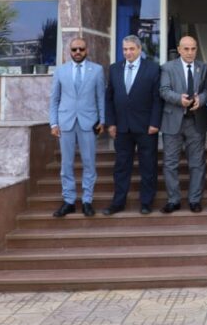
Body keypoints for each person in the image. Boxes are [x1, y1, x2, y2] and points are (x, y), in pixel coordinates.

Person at [104, 35, 162, 215]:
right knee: (121, 167)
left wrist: (155, 123)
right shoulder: (114, 69)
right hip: (122, 127)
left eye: (131, 49)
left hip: (146, 127)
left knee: (148, 166)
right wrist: (111, 123)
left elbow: (157, 99)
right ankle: (118, 202)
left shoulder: (153, 68)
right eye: (125, 49)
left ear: (139, 49)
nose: (128, 52)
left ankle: (146, 202)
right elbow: (109, 98)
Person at [49, 36, 105, 217]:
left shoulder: (97, 70)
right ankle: (69, 201)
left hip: (88, 122)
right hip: (65, 122)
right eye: (74, 49)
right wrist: (54, 123)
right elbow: (54, 99)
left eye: (81, 49)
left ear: (87, 50)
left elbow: (100, 97)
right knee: (66, 164)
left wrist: (102, 120)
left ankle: (87, 200)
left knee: (89, 163)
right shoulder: (60, 71)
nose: (78, 52)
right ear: (70, 52)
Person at [159, 35, 207, 214]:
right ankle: (173, 200)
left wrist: (201, 99)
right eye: (186, 49)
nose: (190, 52)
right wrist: (179, 99)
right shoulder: (167, 67)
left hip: (195, 121)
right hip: (173, 120)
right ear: (179, 50)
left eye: (193, 49)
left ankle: (195, 200)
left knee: (197, 163)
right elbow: (164, 90)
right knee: (170, 163)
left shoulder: (204, 67)